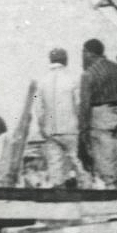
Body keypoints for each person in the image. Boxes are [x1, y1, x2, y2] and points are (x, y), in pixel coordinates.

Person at [77, 39, 117, 188]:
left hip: (100, 114)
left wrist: (83, 129)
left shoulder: (88, 74)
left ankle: (110, 188)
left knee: (103, 155)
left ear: (88, 53)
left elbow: (85, 103)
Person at [35, 47, 83, 186]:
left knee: (55, 168)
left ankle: (58, 195)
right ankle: (89, 192)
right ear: (66, 60)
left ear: (50, 60)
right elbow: (78, 104)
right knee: (79, 164)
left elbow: (39, 108)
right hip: (71, 129)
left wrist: (42, 127)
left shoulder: (42, 81)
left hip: (50, 131)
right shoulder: (73, 79)